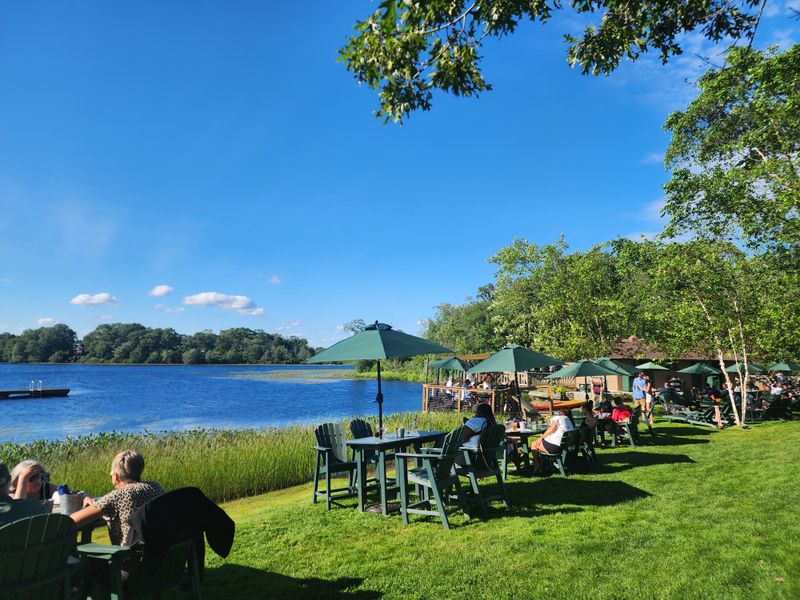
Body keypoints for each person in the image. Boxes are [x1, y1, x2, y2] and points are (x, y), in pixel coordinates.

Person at [70, 450, 163, 546]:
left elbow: (71, 520)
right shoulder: (156, 487)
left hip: (128, 557)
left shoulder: (118, 495)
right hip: (157, 552)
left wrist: (86, 499)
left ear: (116, 477)